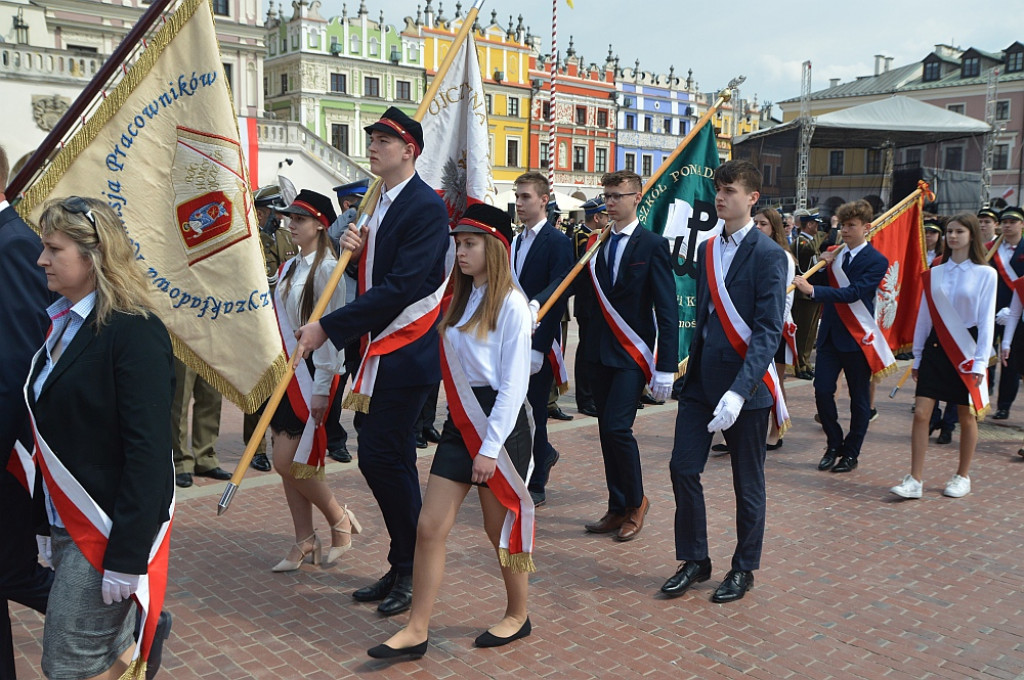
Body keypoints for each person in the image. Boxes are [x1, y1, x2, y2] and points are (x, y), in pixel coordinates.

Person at [293, 107, 449, 617]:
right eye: (372, 137)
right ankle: (401, 559)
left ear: (410, 150)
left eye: (385, 139)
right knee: (383, 459)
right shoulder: (377, 202)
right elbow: (382, 275)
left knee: (387, 459)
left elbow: (405, 287)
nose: (374, 145)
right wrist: (358, 255)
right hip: (376, 354)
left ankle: (411, 567)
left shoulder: (424, 205)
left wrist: (328, 327)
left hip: (404, 354)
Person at [367, 204, 535, 660]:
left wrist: (491, 447)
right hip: (461, 422)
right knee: (429, 526)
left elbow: (514, 386)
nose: (459, 252)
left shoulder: (513, 305)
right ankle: (416, 629)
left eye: (469, 244)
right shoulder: (460, 297)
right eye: (457, 243)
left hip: (498, 425)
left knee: (496, 526)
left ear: (494, 248)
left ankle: (518, 614)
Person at [28, 197, 174, 680]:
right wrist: (42, 520)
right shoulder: (63, 322)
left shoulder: (134, 330)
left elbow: (148, 453)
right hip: (65, 519)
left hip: (106, 531)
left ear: (93, 256)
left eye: (53, 249)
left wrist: (127, 556)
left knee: (66, 664)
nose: (41, 260)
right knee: (90, 655)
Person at [662, 160, 786, 604]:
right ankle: (696, 559)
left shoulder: (770, 256)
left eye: (729, 190)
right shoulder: (708, 250)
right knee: (682, 467)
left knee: (746, 481)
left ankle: (744, 567)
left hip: (745, 388)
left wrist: (739, 389)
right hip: (700, 383)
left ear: (752, 199)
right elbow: (705, 319)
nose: (720, 196)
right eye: (718, 188)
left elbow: (768, 331)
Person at [539, 170, 677, 543]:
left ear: (637, 197)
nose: (610, 203)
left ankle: (636, 503)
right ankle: (617, 506)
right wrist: (535, 304)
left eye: (618, 196)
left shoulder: (652, 245)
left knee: (618, 427)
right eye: (607, 196)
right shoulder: (595, 244)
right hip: (597, 352)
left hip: (631, 354)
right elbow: (568, 282)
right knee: (605, 430)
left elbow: (667, 308)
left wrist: (666, 366)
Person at [265, 189, 361, 572]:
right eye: (290, 218)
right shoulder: (290, 267)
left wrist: (322, 386)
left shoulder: (328, 270)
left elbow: (331, 336)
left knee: (291, 463)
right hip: (287, 373)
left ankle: (340, 521)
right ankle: (304, 539)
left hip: (314, 375)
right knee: (291, 463)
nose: (291, 224)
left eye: (300, 219)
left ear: (321, 225)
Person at [891, 213, 995, 499]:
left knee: (966, 414)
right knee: (922, 413)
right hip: (937, 348)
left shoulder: (986, 274)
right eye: (949, 231)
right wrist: (919, 356)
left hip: (967, 349)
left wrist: (981, 362)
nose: (952, 236)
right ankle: (915, 479)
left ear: (971, 236)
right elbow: (924, 317)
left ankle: (962, 475)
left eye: (959, 231)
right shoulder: (935, 270)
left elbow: (986, 322)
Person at [0, 144, 55, 680]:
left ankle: (133, 621)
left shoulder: (13, 243)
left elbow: (19, 361)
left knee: (14, 573)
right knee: (11, 573)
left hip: (9, 450)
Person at [793, 199, 895, 474]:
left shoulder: (876, 260)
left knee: (859, 401)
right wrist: (821, 264)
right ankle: (834, 443)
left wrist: (812, 291)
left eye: (852, 226)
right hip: (829, 337)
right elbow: (820, 282)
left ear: (866, 227)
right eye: (843, 226)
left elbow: (853, 294)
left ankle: (851, 452)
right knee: (823, 391)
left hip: (857, 338)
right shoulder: (833, 254)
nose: (846, 231)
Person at [510, 172, 573, 507]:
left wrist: (538, 345)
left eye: (526, 197)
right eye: (517, 197)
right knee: (515, 409)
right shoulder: (516, 241)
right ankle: (541, 454)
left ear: (543, 200)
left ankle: (537, 480)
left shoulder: (557, 241)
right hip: (514, 341)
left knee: (535, 410)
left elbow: (560, 288)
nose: (519, 203)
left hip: (540, 343)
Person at [245, 185, 299, 473]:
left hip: (283, 324)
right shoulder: (250, 240)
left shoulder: (282, 237)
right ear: (262, 212)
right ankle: (256, 447)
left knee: (282, 386)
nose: (279, 219)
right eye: (274, 213)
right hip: (259, 322)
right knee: (259, 386)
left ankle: (279, 438)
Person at [754, 207, 796, 450]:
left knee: (776, 382)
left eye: (764, 224)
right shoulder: (751, 252)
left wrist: (772, 327)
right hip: (752, 326)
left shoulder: (784, 256)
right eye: (756, 223)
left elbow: (785, 297)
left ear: (775, 228)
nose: (758, 228)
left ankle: (776, 430)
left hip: (775, 328)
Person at [572, 196, 608, 417]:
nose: (608, 219)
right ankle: (584, 399)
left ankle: (593, 395)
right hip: (587, 303)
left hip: (597, 304)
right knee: (585, 351)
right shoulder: (582, 236)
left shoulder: (600, 235)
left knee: (593, 349)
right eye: (605, 216)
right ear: (597, 217)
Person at [990, 206, 1024, 420]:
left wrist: (1013, 310)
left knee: (1010, 360)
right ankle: (978, 398)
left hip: (1018, 311)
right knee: (984, 355)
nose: (1007, 225)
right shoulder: (991, 248)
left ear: (1021, 224)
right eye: (1004, 221)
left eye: (1013, 221)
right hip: (991, 309)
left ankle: (1004, 405)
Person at [790, 209, 823, 380]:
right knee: (802, 331)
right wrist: (827, 232)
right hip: (802, 296)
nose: (819, 228)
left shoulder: (810, 241)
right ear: (809, 224)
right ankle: (799, 364)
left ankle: (806, 362)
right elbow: (809, 250)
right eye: (817, 224)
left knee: (810, 332)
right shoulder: (800, 242)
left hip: (813, 292)